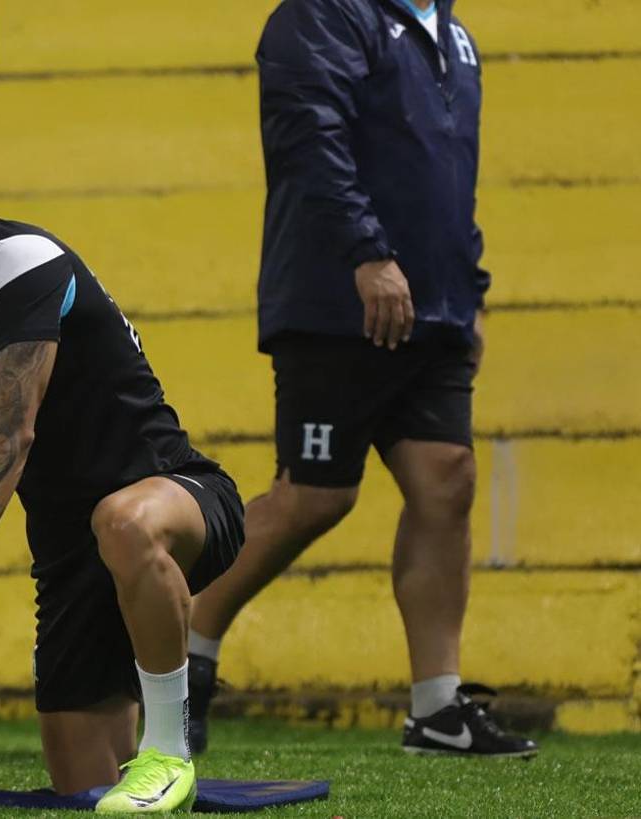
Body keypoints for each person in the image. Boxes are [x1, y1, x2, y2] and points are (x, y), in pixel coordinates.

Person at [0, 116, 245, 811]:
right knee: (83, 790)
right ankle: (147, 762)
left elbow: (10, 433)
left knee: (121, 522)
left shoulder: (21, 261)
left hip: (176, 497)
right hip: (68, 558)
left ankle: (171, 747)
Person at [185, 0, 538, 758]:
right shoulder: (322, 16)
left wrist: (467, 290)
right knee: (314, 495)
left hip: (433, 307)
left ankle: (437, 709)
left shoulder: (453, 34)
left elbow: (452, 172)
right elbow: (310, 143)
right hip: (340, 298)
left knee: (447, 479)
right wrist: (367, 254)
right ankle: (183, 646)